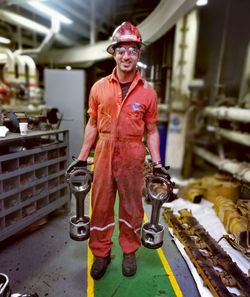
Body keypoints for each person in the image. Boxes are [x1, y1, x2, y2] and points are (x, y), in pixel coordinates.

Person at [66, 21, 170, 280]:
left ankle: (130, 251)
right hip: (102, 152)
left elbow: (153, 131)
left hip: (133, 154)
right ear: (113, 52)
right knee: (100, 206)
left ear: (139, 54)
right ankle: (101, 254)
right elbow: (92, 124)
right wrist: (81, 159)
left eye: (132, 50)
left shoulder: (148, 93)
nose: (127, 56)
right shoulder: (99, 87)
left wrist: (157, 164)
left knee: (132, 207)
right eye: (121, 50)